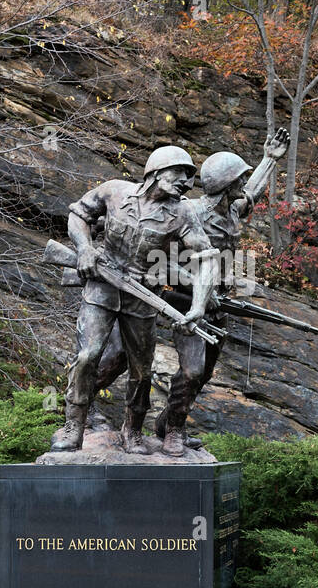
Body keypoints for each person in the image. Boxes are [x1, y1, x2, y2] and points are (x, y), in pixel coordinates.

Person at [93, 129, 288, 453]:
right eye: (238, 180)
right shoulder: (190, 212)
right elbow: (156, 257)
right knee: (122, 358)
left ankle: (170, 424)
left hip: (216, 303)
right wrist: (196, 285)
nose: (243, 186)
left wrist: (270, 159)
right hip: (173, 296)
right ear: (226, 185)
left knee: (200, 374)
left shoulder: (233, 211)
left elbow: (251, 192)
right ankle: (83, 408)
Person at [50, 146, 219, 454]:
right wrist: (85, 248)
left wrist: (197, 306)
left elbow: (207, 257)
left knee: (141, 368)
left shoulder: (182, 212)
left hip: (142, 294)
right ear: (156, 170)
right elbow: (78, 215)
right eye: (181, 173)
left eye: (190, 177)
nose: (187, 183)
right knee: (89, 355)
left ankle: (133, 430)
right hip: (102, 285)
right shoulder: (115, 191)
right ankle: (73, 423)